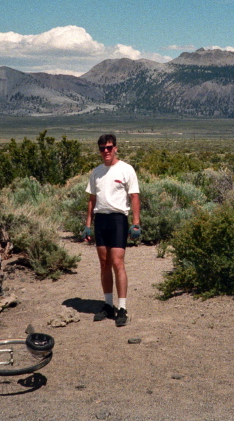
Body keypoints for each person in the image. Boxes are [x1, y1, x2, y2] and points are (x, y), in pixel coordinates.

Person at [84, 133, 140, 327]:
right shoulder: (96, 172)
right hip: (101, 220)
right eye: (102, 148)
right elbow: (91, 199)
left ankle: (122, 307)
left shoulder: (126, 169)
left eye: (109, 147)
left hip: (118, 219)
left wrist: (136, 223)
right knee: (104, 262)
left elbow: (134, 197)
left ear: (115, 148)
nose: (106, 151)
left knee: (117, 262)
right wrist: (87, 225)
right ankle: (108, 305)